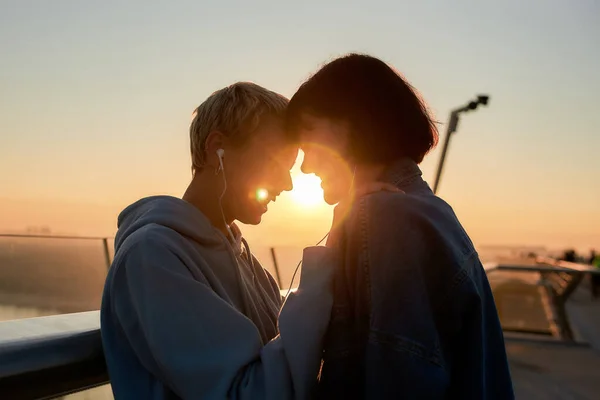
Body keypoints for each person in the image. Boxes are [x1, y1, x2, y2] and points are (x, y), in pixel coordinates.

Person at [286, 54, 515, 399]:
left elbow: (402, 380)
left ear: (354, 124)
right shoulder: (427, 211)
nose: (305, 167)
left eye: (309, 138)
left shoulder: (387, 220)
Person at [101, 82, 336, 399]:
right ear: (217, 150)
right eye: (274, 162)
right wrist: (326, 274)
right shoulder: (152, 256)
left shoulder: (242, 257)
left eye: (289, 167)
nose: (287, 184)